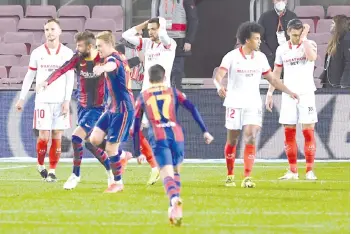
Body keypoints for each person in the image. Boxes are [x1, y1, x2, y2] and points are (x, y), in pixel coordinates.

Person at [37, 31, 132, 190]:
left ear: (90, 46)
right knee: (91, 143)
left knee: (76, 137)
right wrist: (47, 81)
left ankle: (75, 175)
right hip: (82, 106)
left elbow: (115, 64)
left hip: (98, 107)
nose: (77, 48)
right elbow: (62, 69)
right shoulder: (78, 58)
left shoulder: (103, 58)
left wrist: (103, 69)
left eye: (80, 45)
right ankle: (115, 163)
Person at [213, 21, 299, 188]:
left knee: (251, 136)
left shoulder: (261, 58)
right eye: (257, 39)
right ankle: (230, 175)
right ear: (247, 40)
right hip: (234, 103)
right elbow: (218, 76)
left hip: (253, 103)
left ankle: (247, 177)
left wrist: (288, 91)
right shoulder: (231, 56)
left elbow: (273, 79)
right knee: (233, 139)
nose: (260, 41)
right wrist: (219, 87)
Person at [133, 64, 213, 226]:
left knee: (165, 174)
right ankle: (174, 209)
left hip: (158, 136)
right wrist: (204, 130)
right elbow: (192, 108)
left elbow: (135, 127)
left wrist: (137, 151)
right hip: (177, 135)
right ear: (164, 78)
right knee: (176, 172)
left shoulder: (143, 96)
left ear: (149, 79)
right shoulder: (174, 92)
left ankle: (174, 198)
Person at [15, 18, 74, 182]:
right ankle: (40, 165)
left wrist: (67, 101)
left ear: (60, 31)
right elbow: (29, 76)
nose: (50, 32)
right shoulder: (37, 53)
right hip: (42, 101)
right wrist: (21, 98)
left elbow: (70, 79)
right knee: (44, 136)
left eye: (53, 29)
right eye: (47, 30)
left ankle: (53, 171)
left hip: (60, 101)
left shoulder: (68, 54)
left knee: (57, 135)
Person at [122, 17, 177, 185]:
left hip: (161, 95)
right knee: (134, 129)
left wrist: (161, 26)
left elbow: (165, 37)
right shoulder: (146, 43)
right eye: (150, 29)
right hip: (145, 93)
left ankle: (167, 168)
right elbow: (126, 35)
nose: (151, 32)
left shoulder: (169, 44)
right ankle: (155, 167)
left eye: (154, 29)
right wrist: (145, 24)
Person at [265, 19, 318, 180]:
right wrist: (270, 93)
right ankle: (293, 171)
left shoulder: (309, 44)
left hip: (306, 93)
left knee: (308, 132)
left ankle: (309, 170)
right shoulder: (281, 50)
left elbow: (311, 57)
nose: (296, 38)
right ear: (288, 32)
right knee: (289, 133)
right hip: (288, 95)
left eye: (298, 34)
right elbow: (276, 73)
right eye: (293, 35)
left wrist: (304, 38)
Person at [89, 31, 134, 193]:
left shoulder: (113, 59)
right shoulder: (119, 56)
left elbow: (112, 65)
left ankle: (118, 183)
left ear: (109, 44)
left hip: (123, 108)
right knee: (94, 139)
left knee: (110, 149)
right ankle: (122, 155)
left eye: (100, 46)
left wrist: (102, 69)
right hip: (112, 107)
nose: (98, 49)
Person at [152, 0, 199, 90]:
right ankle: (163, 97)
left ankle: (176, 97)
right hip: (162, 41)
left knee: (177, 72)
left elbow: (193, 20)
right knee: (162, 71)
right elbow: (154, 19)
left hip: (179, 40)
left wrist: (189, 40)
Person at [258, 0, 297, 69]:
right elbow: (258, 38)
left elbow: (297, 37)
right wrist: (269, 54)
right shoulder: (265, 17)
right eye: (278, 0)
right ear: (273, 1)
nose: (281, 2)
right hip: (271, 58)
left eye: (283, 0)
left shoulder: (293, 16)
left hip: (289, 58)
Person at [319, 14, 350, 88]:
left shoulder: (347, 40)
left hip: (340, 85)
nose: (330, 25)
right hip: (330, 83)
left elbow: (349, 63)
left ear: (339, 25)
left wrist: (345, 83)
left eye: (333, 23)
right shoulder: (336, 40)